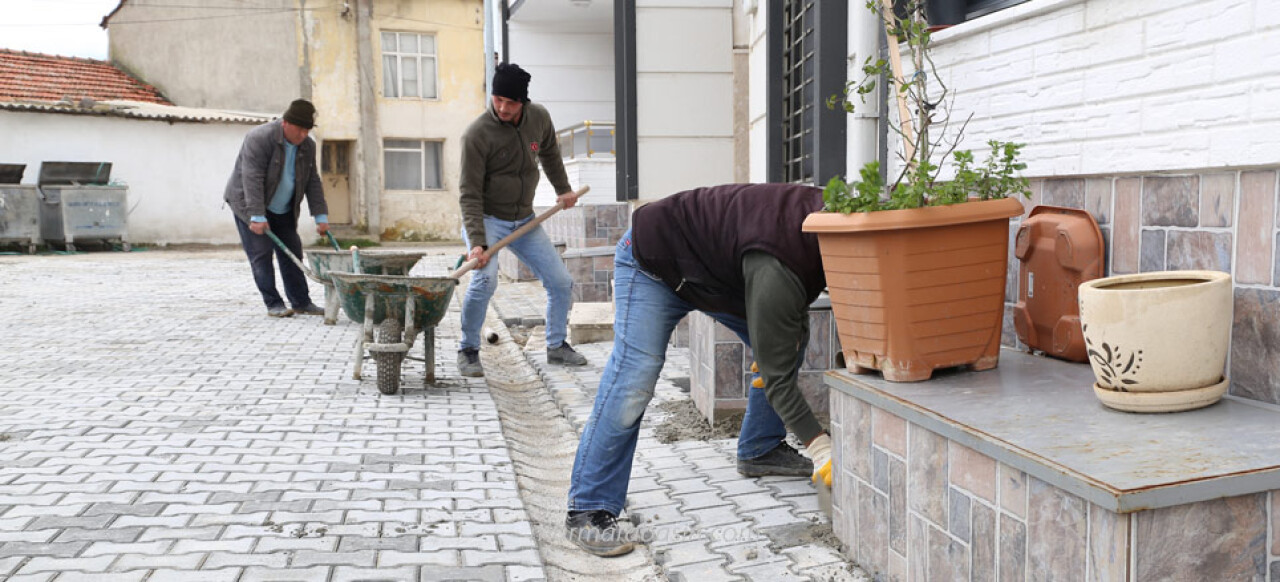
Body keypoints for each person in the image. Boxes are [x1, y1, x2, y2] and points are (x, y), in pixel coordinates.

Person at [564, 183, 835, 557]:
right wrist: (821, 446)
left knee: (787, 342)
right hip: (652, 262)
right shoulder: (780, 261)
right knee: (635, 377)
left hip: (709, 272)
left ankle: (760, 448)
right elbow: (776, 375)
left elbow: (788, 323)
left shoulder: (829, 222)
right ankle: (588, 507)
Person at [456, 63, 587, 377]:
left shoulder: (539, 118)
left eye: (510, 102)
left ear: (523, 102)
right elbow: (469, 193)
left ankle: (556, 346)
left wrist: (564, 190)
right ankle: (468, 349)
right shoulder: (477, 134)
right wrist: (476, 243)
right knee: (484, 280)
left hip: (525, 221)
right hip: (488, 220)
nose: (502, 107)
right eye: (497, 98)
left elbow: (551, 154)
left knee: (560, 282)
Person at [224, 98, 329, 318]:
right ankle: (273, 303)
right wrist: (257, 215)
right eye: (299, 129)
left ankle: (301, 302)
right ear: (285, 123)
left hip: (283, 208)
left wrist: (320, 216)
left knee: (292, 252)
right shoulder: (260, 138)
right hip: (250, 205)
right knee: (261, 253)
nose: (303, 135)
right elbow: (251, 178)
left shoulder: (307, 145)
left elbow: (312, 180)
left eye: (307, 130)